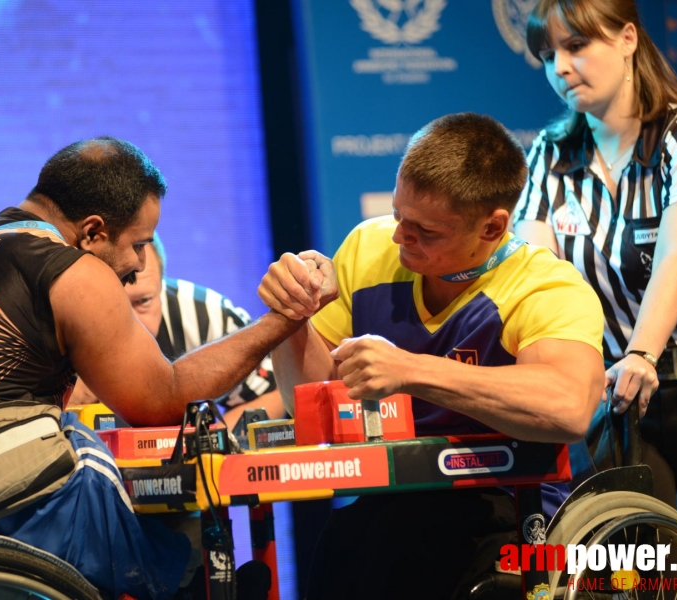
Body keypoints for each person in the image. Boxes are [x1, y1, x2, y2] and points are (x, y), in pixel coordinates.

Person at [0, 137, 335, 598]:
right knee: (144, 499)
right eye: (138, 243)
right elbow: (164, 401)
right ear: (92, 231)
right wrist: (283, 318)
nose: (138, 263)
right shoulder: (69, 270)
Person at [259, 112, 606, 599]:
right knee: (344, 546)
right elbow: (309, 401)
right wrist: (290, 318)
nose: (400, 236)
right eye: (399, 215)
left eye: (426, 230)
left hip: (512, 510)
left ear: (492, 227)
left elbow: (568, 407)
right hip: (395, 506)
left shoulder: (545, 287)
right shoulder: (369, 246)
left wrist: (411, 371)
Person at [512, 0, 677, 571]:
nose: (559, 67)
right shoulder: (550, 151)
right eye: (547, 55)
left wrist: (642, 351)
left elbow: (676, 258)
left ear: (627, 39)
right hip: (616, 401)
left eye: (575, 46)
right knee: (636, 573)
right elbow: (536, 274)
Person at [69, 233, 285, 429]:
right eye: (108, 303)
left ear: (161, 287)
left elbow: (273, 392)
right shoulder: (57, 319)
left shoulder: (207, 316)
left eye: (143, 301)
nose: (128, 321)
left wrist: (206, 446)